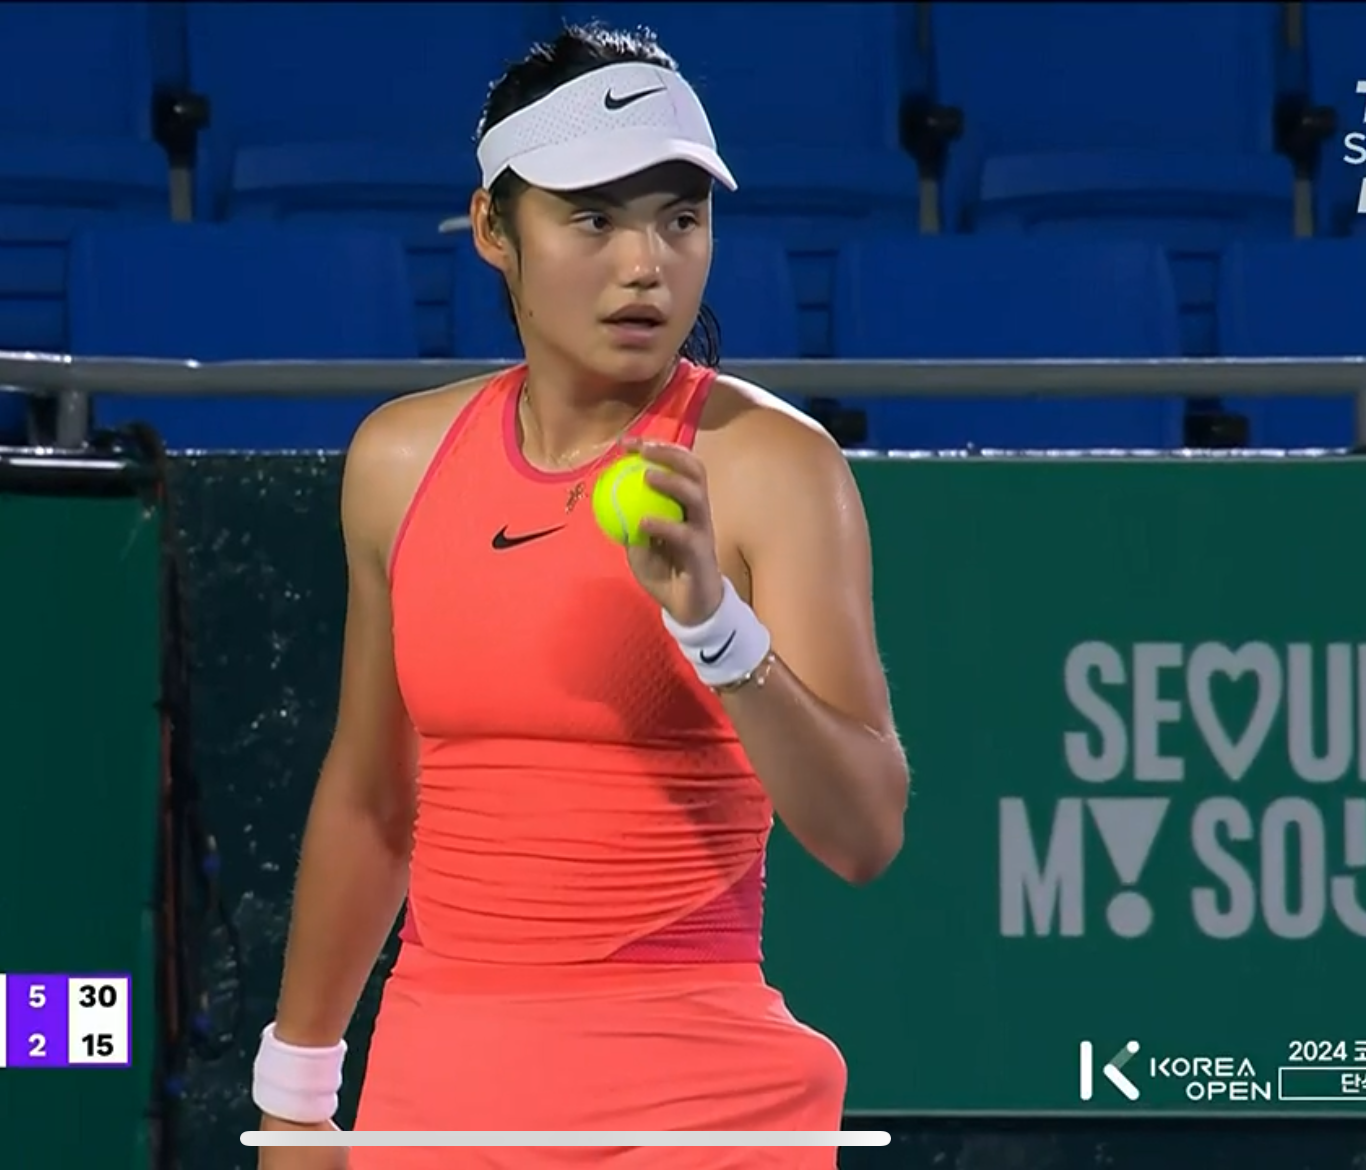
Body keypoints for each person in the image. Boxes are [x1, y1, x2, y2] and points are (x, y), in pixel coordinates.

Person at [254, 22, 908, 1170]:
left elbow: (863, 833)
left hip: (701, 1110)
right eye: (594, 219)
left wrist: (716, 627)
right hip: (437, 1094)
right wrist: (296, 1097)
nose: (646, 264)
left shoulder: (773, 468)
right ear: (493, 229)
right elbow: (371, 800)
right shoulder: (399, 464)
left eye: (680, 219)